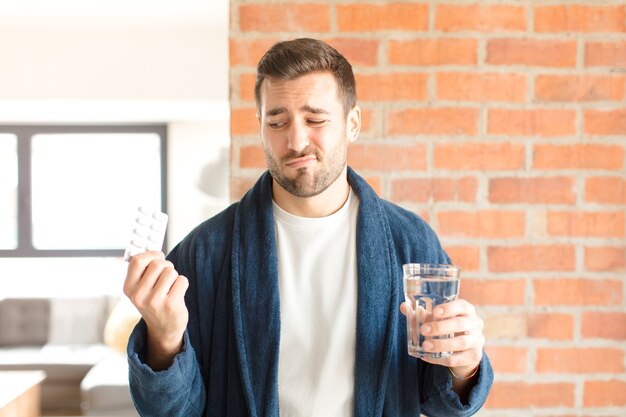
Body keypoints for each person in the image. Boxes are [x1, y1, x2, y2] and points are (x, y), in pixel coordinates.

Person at [124, 38, 493, 417]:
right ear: (260, 127)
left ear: (353, 124)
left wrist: (464, 367)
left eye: (315, 119)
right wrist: (165, 338)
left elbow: (443, 405)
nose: (296, 140)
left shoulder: (410, 242)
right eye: (277, 122)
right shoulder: (204, 251)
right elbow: (170, 411)